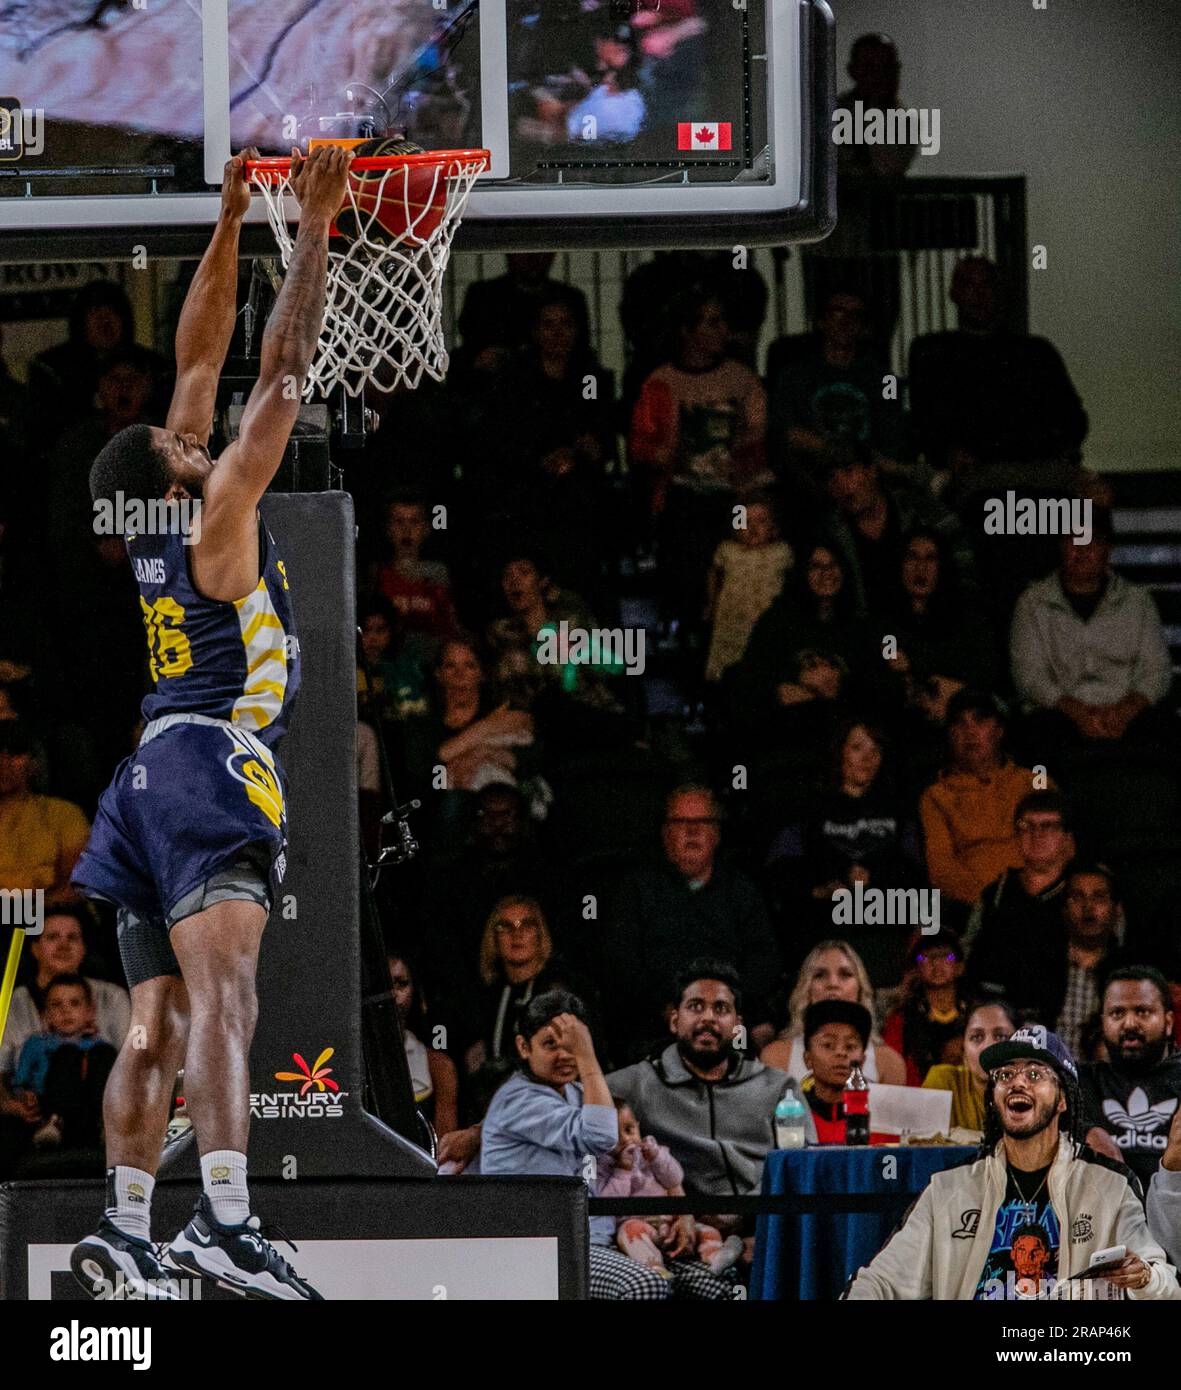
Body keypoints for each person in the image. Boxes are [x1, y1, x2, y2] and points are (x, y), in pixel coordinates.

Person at [67, 145, 356, 1300]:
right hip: (205, 767)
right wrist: (318, 227)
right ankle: (225, 1220)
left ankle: (127, 1227)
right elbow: (276, 376)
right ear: (180, 474)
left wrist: (233, 213)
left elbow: (198, 350)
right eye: (193, 443)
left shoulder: (154, 521)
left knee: (153, 1024)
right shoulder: (216, 519)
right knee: (226, 1000)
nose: (205, 432)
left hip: (137, 782)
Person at [846, 1025, 1180, 1300]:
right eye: (1005, 1075)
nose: (1017, 1082)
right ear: (993, 1098)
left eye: (1035, 1074)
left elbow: (1164, 1282)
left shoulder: (1109, 1184)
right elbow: (884, 1281)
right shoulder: (949, 1189)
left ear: (1063, 1099)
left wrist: (1144, 1278)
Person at [480, 989, 727, 1299]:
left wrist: (678, 1211)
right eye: (550, 1044)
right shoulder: (518, 1099)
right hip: (544, 1246)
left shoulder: (572, 1092)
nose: (565, 1055)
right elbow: (600, 1135)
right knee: (645, 1285)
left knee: (715, 1287)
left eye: (572, 1045)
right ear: (523, 1047)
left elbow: (623, 1150)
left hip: (599, 1237)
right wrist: (586, 1056)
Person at [605, 962, 792, 1262]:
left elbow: (799, 1163)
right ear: (674, 1020)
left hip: (765, 1225)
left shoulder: (779, 1087)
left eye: (720, 1008)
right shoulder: (636, 1084)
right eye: (695, 1006)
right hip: (682, 1231)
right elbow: (585, 1124)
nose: (708, 1017)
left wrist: (748, 1214)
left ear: (738, 1025)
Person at [601, 786, 781, 1063]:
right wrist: (669, 1007)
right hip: (656, 1024)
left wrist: (726, 1005)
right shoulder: (636, 889)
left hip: (730, 1021)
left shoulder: (741, 890)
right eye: (681, 822)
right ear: (665, 834)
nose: (692, 831)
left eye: (702, 822)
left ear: (717, 834)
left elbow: (764, 959)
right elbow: (623, 964)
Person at [766, 719, 922, 984]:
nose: (867, 759)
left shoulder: (898, 809)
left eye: (876, 751)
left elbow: (915, 874)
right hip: (825, 925)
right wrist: (823, 888)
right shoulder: (807, 810)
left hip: (884, 919)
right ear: (839, 752)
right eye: (857, 748)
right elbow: (779, 873)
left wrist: (876, 879)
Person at [1010, 516, 1174, 766]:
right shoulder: (1032, 603)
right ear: (1061, 546)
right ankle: (1042, 801)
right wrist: (1078, 712)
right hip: (1059, 712)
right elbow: (1029, 675)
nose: (1082, 549)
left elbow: (1156, 669)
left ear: (1108, 550)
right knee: (1033, 739)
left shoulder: (1138, 601)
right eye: (1073, 540)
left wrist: (1124, 711)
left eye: (1092, 541)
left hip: (1125, 711)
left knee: (1169, 731)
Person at [908, 256, 1088, 478]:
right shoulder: (932, 353)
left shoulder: (1035, 353)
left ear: (999, 293)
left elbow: (1073, 419)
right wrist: (947, 453)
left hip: (1036, 468)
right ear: (954, 293)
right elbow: (923, 421)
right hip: (970, 476)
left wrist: (1053, 454)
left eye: (986, 285)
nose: (979, 295)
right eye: (969, 285)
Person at [975, 860, 1133, 1058]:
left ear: (1117, 909)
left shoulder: (1129, 971)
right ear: (1064, 908)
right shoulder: (1035, 962)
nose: (1088, 906)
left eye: (1099, 897)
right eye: (1077, 897)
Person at [453, 895, 602, 1083]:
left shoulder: (559, 988)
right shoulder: (491, 995)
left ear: (540, 934)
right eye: (505, 926)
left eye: (527, 924)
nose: (517, 934)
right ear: (494, 939)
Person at [821, 442, 975, 619]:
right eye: (832, 478)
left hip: (931, 627)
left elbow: (964, 565)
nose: (841, 485)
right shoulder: (832, 534)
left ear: (871, 471)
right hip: (870, 636)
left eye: (848, 472)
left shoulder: (919, 511)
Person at [918, 689, 1036, 914]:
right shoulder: (936, 796)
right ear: (950, 734)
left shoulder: (1033, 783)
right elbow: (942, 869)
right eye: (959, 724)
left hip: (1036, 899)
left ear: (999, 730)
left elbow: (1061, 848)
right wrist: (989, 904)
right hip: (976, 909)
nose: (969, 731)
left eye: (980, 721)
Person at [596, 1100, 742, 1275]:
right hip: (639, 1224)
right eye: (615, 1135)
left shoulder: (653, 1152)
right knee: (630, 1233)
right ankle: (655, 1269)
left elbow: (674, 1178)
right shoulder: (604, 1165)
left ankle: (717, 1257)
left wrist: (656, 1158)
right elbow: (608, 1203)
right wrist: (623, 1171)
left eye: (629, 1130)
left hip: (671, 1221)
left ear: (638, 1127)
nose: (626, 1139)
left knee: (706, 1231)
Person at [964, 790, 1076, 995]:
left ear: (1067, 839)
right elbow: (968, 951)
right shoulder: (995, 893)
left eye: (1048, 826)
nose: (1037, 834)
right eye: (1026, 826)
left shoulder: (1081, 893)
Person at [2, 976, 117, 1171]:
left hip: (87, 1105)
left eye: (74, 1003)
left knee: (103, 1053)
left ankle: (105, 1124)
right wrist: (24, 1094)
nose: (66, 1011)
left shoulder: (99, 1046)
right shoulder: (36, 1044)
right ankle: (54, 1122)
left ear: (90, 1012)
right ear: (46, 1014)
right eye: (56, 1005)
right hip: (48, 1102)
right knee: (67, 1053)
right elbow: (21, 1078)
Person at [1081, 968, 1181, 1186]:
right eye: (1117, 1013)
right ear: (1103, 1022)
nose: (1129, 1023)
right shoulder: (1079, 1082)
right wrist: (1086, 1131)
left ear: (1169, 1022)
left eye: (1143, 1012)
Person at [760, 941, 907, 1085]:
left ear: (861, 989)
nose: (833, 984)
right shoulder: (776, 1057)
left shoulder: (889, 1063)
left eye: (845, 974)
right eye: (820, 975)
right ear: (806, 988)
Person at [703, 491, 792, 684]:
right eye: (746, 522)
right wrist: (712, 603)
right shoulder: (728, 550)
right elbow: (714, 574)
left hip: (765, 616)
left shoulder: (781, 552)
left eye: (761, 521)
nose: (753, 528)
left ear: (772, 526)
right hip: (733, 618)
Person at [0, 720, 91, 899]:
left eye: (14, 753)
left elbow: (74, 885)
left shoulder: (63, 814)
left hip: (44, 917)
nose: (3, 763)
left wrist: (23, 912)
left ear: (34, 763)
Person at [882, 930, 971, 1087]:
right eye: (924, 957)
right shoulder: (901, 1020)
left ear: (960, 967)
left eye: (947, 956)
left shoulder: (977, 1015)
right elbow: (890, 1070)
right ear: (915, 969)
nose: (936, 963)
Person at [388, 951, 458, 1142]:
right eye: (384, 984)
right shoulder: (351, 1062)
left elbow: (445, 1151)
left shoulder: (439, 1066)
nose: (392, 994)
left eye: (401, 983)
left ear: (415, 991)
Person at [923, 999, 1020, 1132]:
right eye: (976, 1037)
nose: (988, 1046)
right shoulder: (944, 1081)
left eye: (1001, 1036)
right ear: (963, 1050)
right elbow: (925, 1145)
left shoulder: (1034, 1089)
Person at [373, 493, 458, 642]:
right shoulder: (377, 573)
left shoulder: (439, 574)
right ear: (388, 529)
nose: (406, 530)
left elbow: (448, 625)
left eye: (414, 522)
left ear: (426, 529)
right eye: (399, 521)